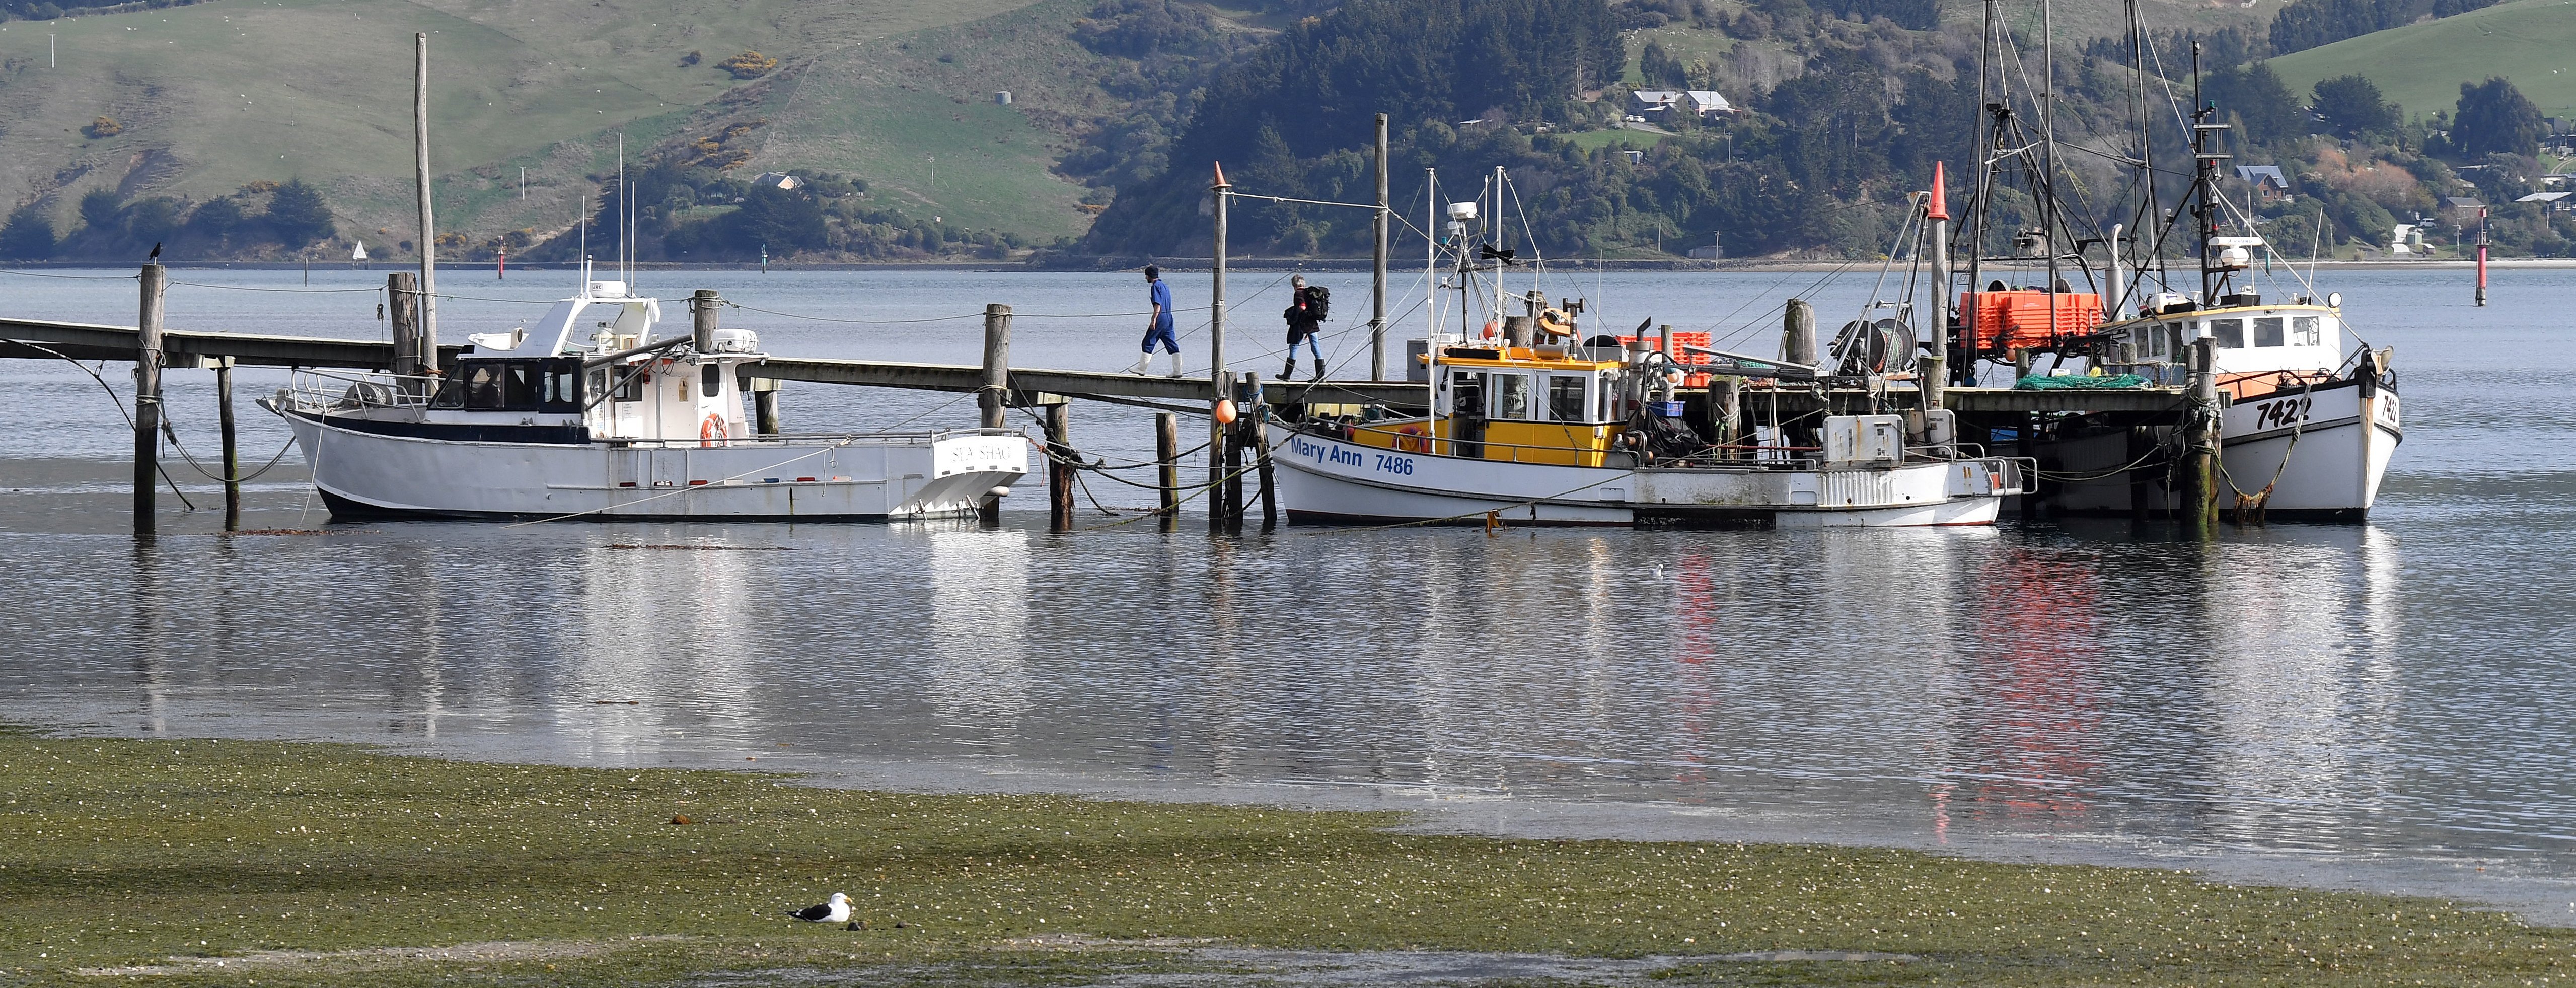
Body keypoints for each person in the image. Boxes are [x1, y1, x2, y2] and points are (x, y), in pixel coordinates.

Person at [1130, 265, 1184, 376]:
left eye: (1146, 276)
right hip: (1169, 318)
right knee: (1171, 343)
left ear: (1149, 276)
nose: (1146, 278)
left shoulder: (1155, 287)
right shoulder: (1166, 287)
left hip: (1161, 317)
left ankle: (1142, 369)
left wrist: (1154, 319)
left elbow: (1158, 304)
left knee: (1148, 342)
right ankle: (1177, 371)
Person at [1280, 274, 1327, 381]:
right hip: (1313, 324)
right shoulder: (1309, 292)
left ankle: (1287, 375)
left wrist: (1294, 313)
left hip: (1302, 324)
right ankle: (1321, 376)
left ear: (1294, 285)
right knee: (1315, 347)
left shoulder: (1299, 293)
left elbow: (1303, 307)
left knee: (1294, 346)